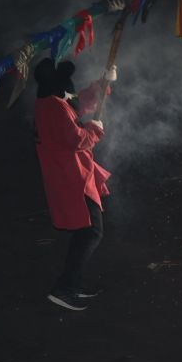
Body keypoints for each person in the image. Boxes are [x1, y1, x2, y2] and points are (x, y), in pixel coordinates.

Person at [35, 57, 118, 311]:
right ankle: (64, 288)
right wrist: (95, 130)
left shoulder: (55, 102)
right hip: (71, 178)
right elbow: (75, 138)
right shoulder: (51, 107)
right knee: (92, 231)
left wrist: (103, 82)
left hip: (74, 175)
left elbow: (79, 103)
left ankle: (73, 283)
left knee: (86, 231)